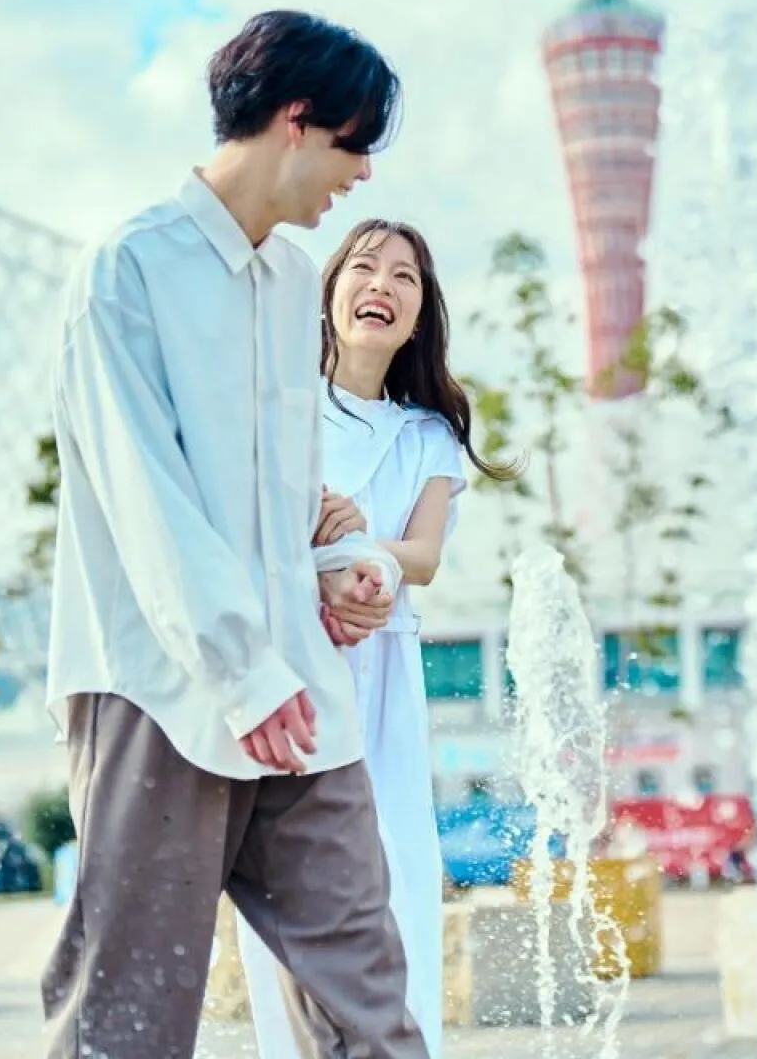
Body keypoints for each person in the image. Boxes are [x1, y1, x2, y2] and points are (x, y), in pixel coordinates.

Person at [41, 10, 429, 1059]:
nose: (361, 174)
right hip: (158, 688)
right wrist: (241, 672)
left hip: (297, 690)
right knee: (129, 1012)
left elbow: (274, 495)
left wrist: (329, 567)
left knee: (367, 999)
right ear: (298, 120)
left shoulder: (293, 282)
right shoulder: (126, 271)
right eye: (355, 144)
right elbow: (148, 501)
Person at [238, 219, 513, 1058]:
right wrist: (323, 547)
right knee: (290, 886)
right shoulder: (279, 406)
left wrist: (364, 553)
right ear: (329, 294)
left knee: (392, 875)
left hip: (384, 674)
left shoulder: (426, 435)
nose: (382, 287)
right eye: (364, 268)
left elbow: (423, 555)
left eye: (404, 277)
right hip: (294, 668)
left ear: (421, 313)